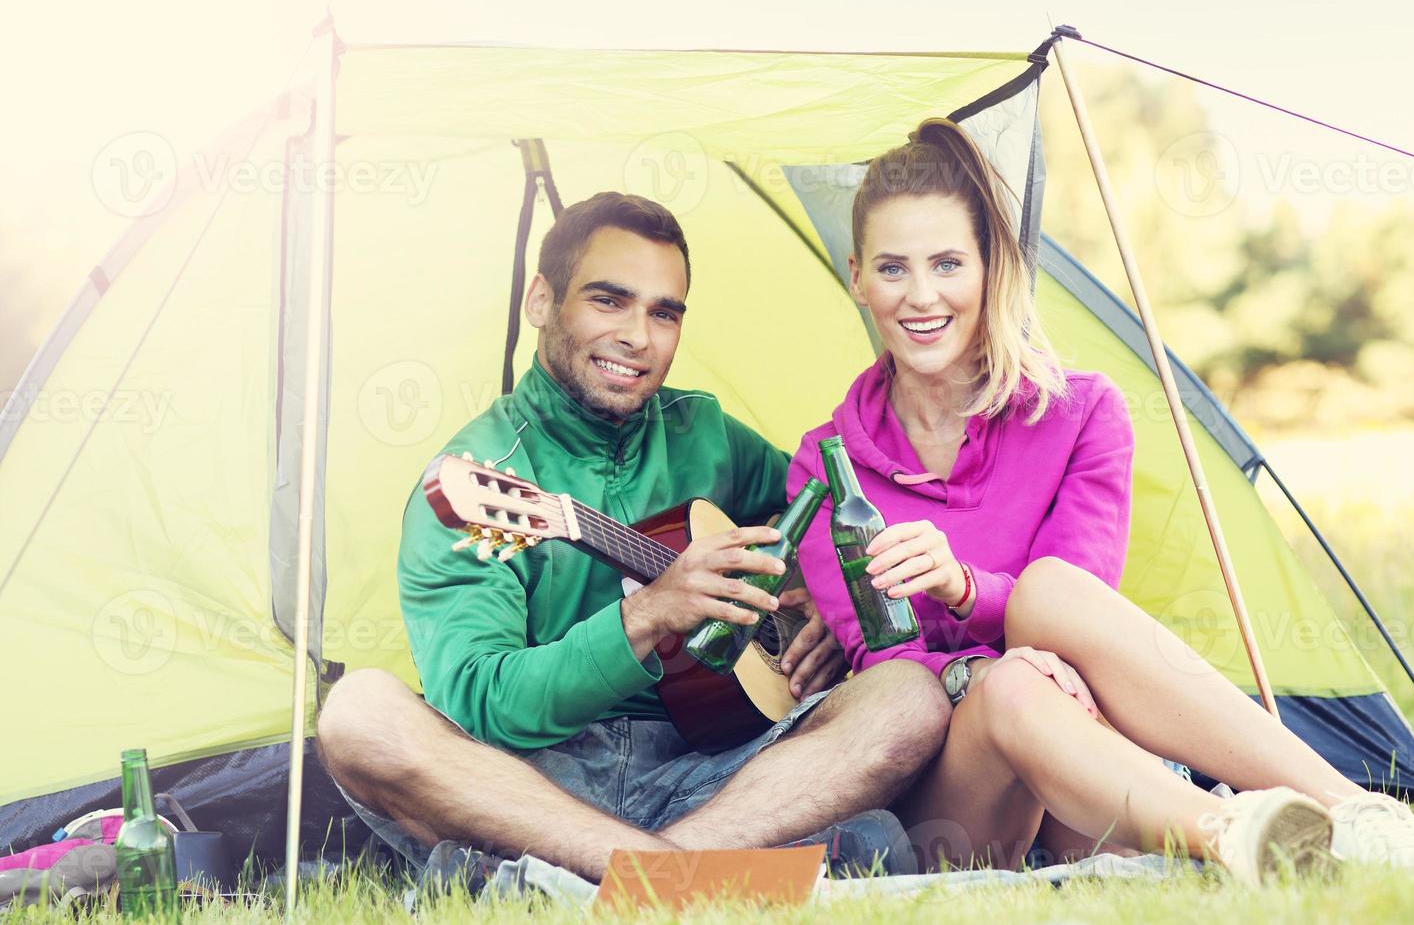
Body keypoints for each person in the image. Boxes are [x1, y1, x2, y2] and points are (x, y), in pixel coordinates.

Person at [785, 118, 1414, 883]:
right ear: (856, 277)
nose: (922, 296)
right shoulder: (826, 468)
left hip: (1079, 754)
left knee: (1048, 601)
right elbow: (886, 671)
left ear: (989, 270)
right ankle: (1232, 826)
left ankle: (1351, 814)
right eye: (893, 268)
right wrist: (985, 663)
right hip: (954, 795)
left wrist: (964, 589)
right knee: (1011, 683)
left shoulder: (1081, 413)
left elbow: (1077, 605)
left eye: (947, 263)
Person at [316, 191, 949, 884]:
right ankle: (681, 876)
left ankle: (622, 877)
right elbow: (481, 705)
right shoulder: (483, 481)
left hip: (717, 776)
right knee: (359, 714)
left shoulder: (705, 433)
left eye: (663, 312)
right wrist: (645, 616)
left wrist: (827, 604)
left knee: (907, 697)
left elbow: (831, 511)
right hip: (538, 793)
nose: (638, 338)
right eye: (608, 301)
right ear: (540, 301)